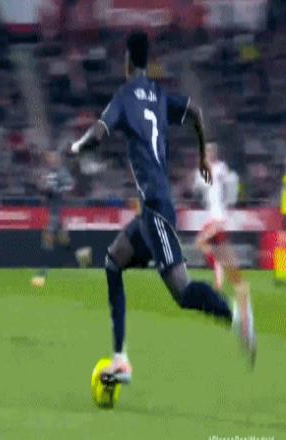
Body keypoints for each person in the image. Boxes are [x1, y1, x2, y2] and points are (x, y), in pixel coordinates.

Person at [70, 31, 256, 384]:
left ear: (127, 60)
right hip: (151, 210)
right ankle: (120, 359)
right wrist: (202, 155)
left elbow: (98, 133)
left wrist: (76, 148)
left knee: (182, 291)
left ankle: (237, 318)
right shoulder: (157, 95)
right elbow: (195, 112)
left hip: (156, 208)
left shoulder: (125, 96)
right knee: (113, 262)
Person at [31, 150, 91, 287]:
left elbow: (70, 185)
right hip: (51, 210)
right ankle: (82, 256)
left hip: (58, 212)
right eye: (48, 158)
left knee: (47, 239)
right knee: (64, 241)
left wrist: (56, 190)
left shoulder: (62, 172)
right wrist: (42, 187)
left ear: (57, 159)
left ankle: (42, 272)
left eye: (52, 157)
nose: (50, 160)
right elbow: (43, 188)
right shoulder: (48, 173)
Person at [192, 142, 239, 290]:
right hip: (212, 216)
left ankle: (222, 268)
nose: (207, 154)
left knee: (200, 242)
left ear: (214, 153)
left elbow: (231, 183)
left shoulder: (221, 168)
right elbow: (197, 187)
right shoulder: (203, 170)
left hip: (218, 217)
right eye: (206, 152)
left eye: (209, 152)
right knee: (217, 248)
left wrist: (229, 203)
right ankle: (219, 280)